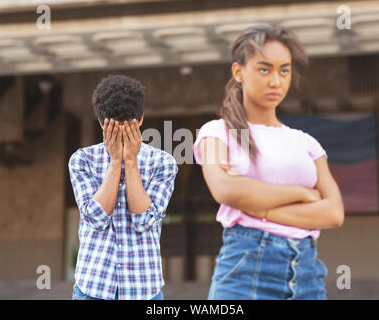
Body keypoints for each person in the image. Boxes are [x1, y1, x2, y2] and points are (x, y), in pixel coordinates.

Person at [193, 24, 344, 300]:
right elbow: (227, 191)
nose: (276, 81)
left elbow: (333, 213)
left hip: (307, 272)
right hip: (244, 268)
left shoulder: (307, 143)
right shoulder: (218, 132)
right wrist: (302, 194)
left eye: (284, 70)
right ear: (239, 72)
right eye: (265, 69)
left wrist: (258, 210)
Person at [68, 74, 178, 300]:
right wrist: (116, 161)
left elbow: (144, 219)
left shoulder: (163, 162)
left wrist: (131, 161)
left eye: (126, 128)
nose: (120, 135)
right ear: (101, 123)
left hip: (143, 290)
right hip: (93, 288)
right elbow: (96, 218)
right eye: (113, 128)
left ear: (141, 120)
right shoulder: (82, 160)